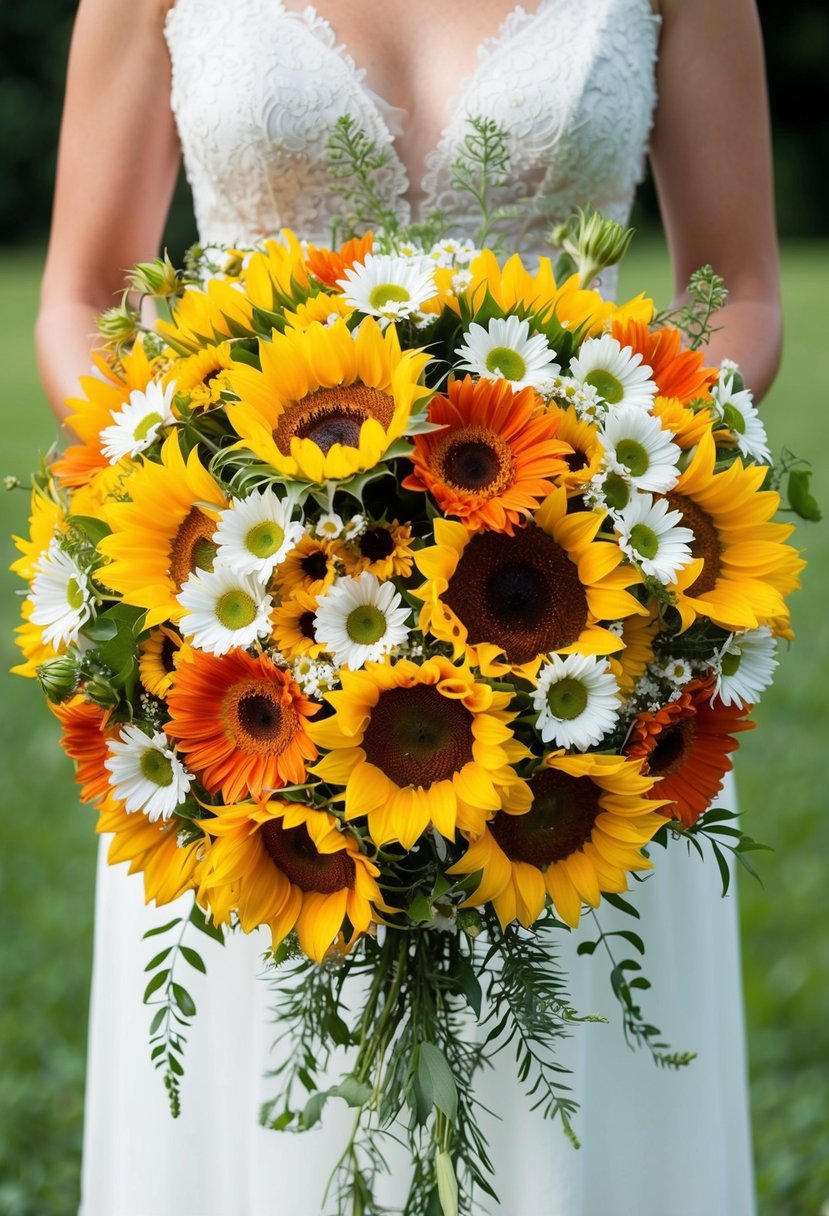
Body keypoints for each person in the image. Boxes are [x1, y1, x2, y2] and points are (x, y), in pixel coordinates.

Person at [36, 1, 781, 1213]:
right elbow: (78, 296)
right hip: (249, 630)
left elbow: (740, 287)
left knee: (582, 1105)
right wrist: (208, 497)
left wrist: (617, 460)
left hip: (579, 617)